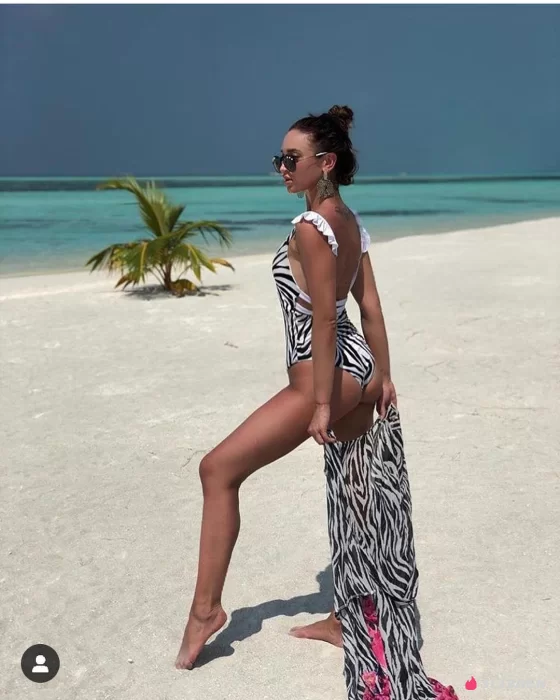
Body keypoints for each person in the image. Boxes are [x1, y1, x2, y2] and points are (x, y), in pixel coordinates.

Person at [175, 105, 458, 700]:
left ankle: (206, 610)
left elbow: (327, 318)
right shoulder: (347, 221)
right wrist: (383, 375)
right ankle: (346, 617)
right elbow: (369, 307)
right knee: (352, 491)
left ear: (325, 163)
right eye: (278, 158)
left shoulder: (311, 227)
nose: (281, 167)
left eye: (292, 158)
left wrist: (323, 404)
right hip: (357, 366)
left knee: (217, 470)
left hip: (322, 377)